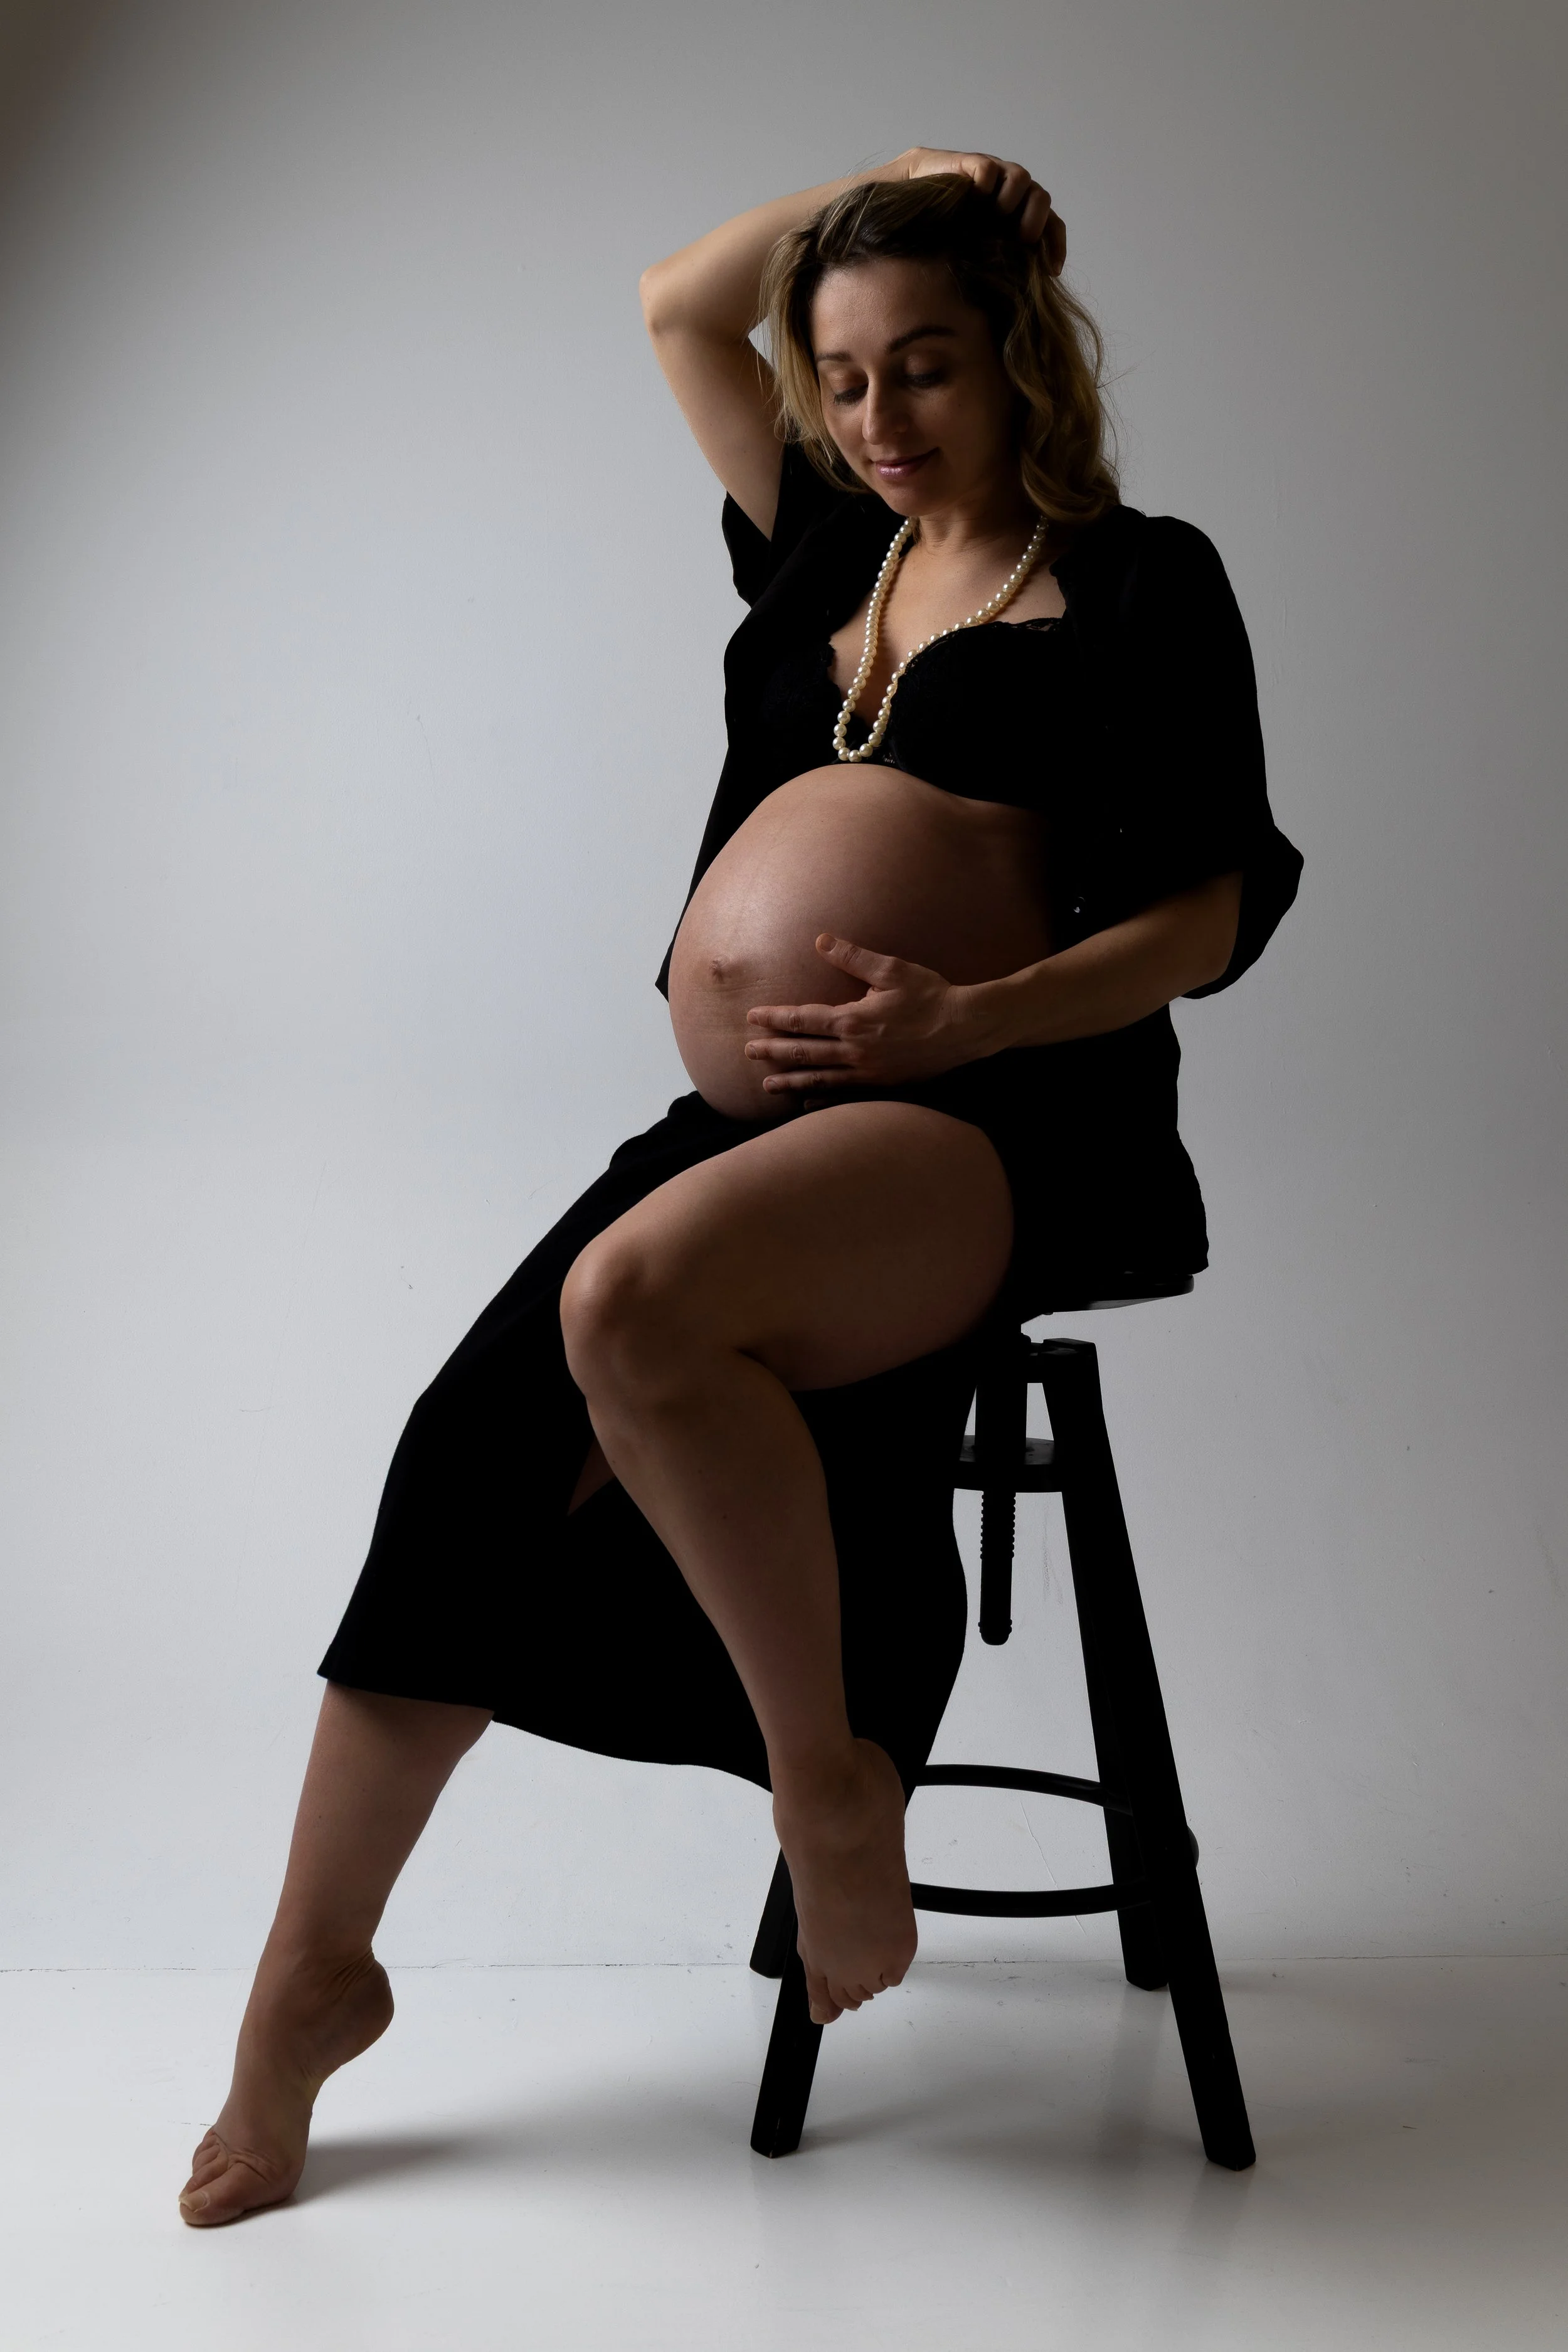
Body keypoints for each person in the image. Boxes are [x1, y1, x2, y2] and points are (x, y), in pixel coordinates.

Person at [179, 146, 1301, 2227]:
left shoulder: (1137, 576)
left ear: (1025, 355)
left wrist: (973, 1021)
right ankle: (308, 1979)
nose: (878, 419)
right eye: (851, 377)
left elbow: (1210, 905)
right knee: (467, 1450)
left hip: (1003, 1119)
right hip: (750, 1126)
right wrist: (894, 177)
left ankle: (831, 1782)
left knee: (628, 1314)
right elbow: (678, 304)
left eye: (929, 367)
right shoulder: (817, 557)